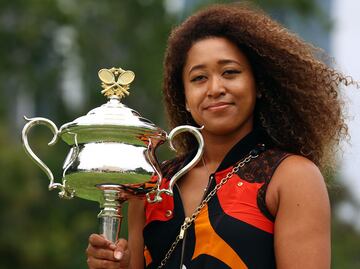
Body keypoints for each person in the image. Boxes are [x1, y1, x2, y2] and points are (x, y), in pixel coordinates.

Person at [86, 3, 356, 269]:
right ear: (185, 98)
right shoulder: (152, 184)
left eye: (230, 72)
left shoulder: (293, 177)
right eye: (199, 78)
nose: (215, 88)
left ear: (258, 85)